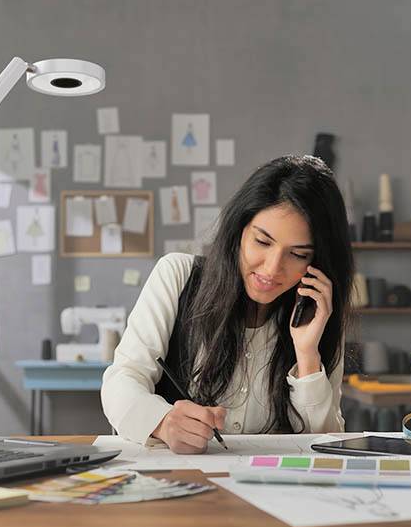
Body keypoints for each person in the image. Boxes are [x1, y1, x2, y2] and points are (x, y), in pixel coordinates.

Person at [101, 155, 354, 454]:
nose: (272, 269)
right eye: (262, 242)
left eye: (297, 254)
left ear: (317, 260)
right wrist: (163, 422)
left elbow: (326, 442)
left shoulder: (318, 311)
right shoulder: (178, 275)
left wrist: (307, 355)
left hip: (272, 488)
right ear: (239, 231)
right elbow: (122, 381)